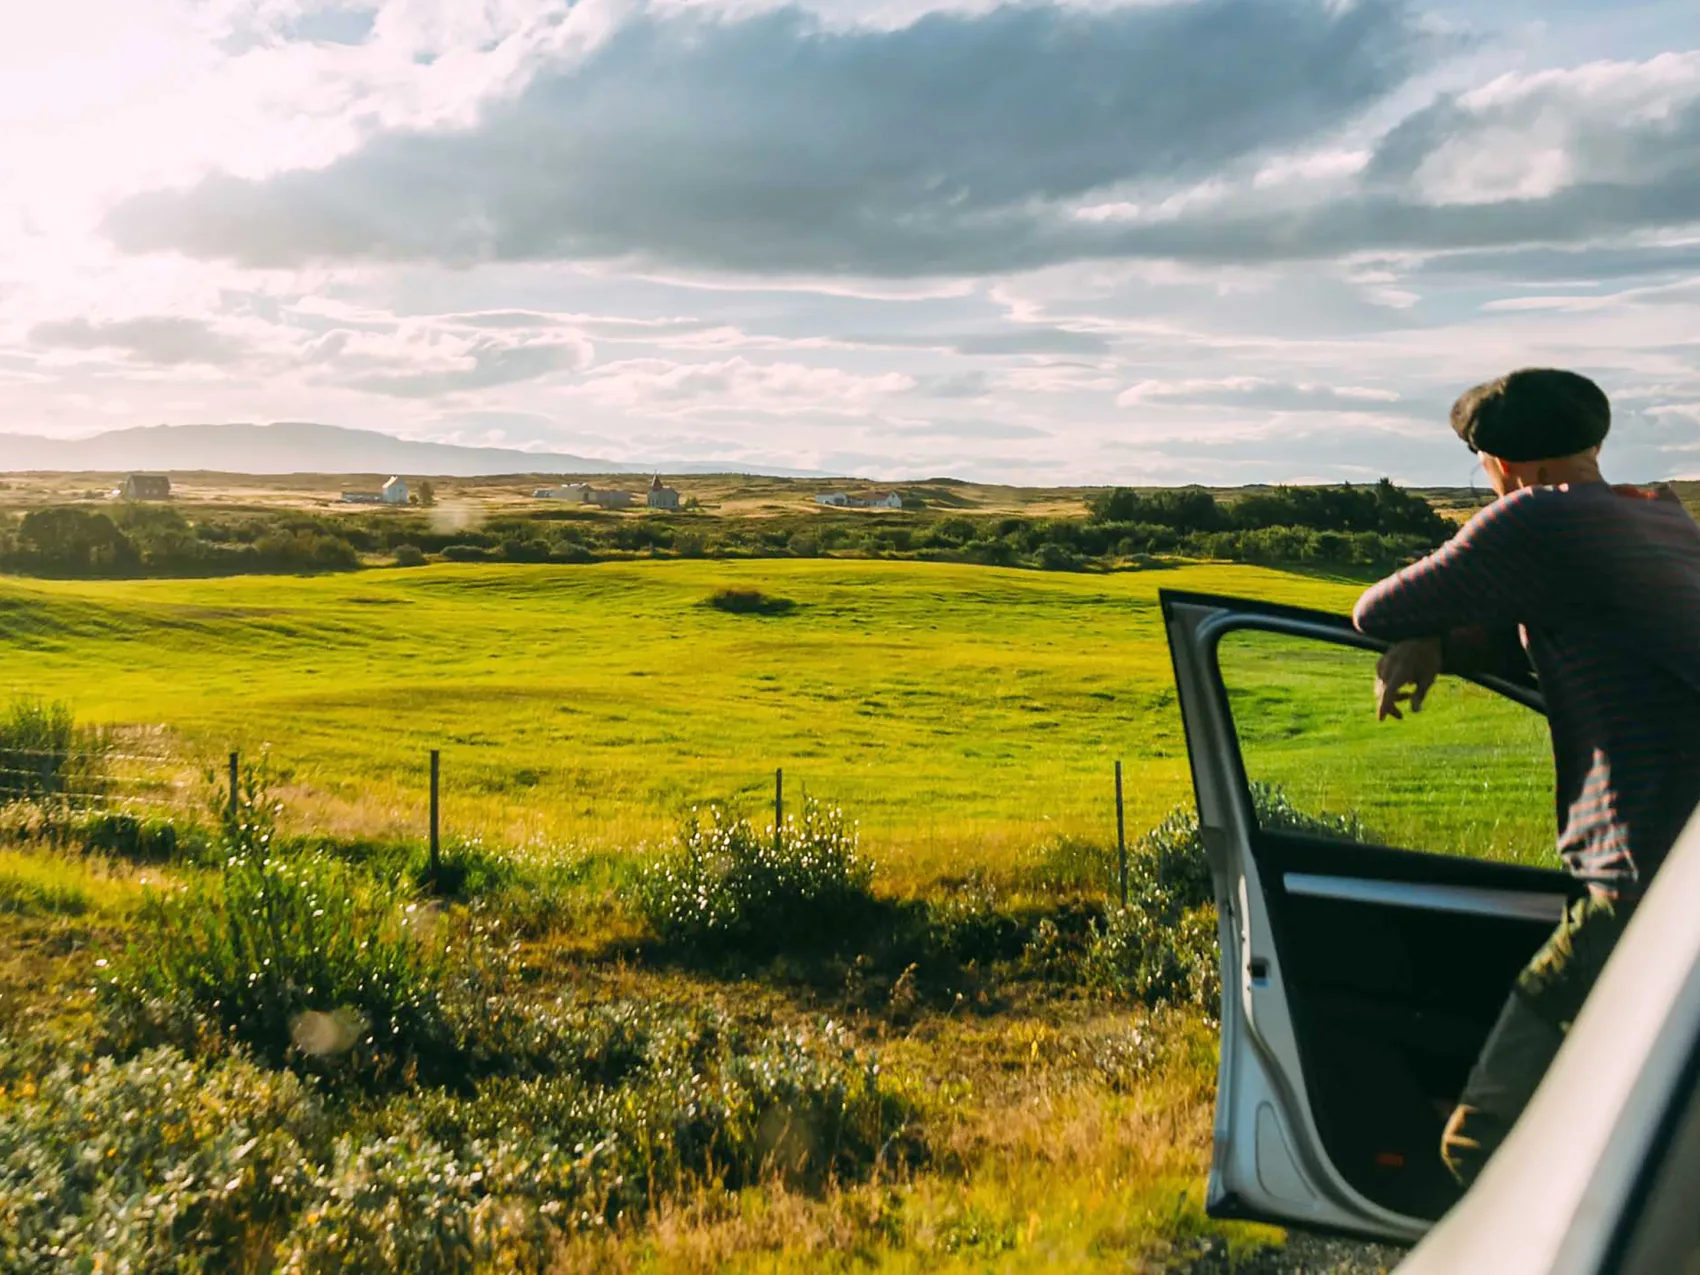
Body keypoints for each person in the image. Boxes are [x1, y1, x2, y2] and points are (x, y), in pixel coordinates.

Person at [1351, 367, 1700, 1188]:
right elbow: (1582, 635)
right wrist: (1450, 645)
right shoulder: (1664, 520)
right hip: (1685, 868)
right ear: (1596, 444)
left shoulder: (1534, 520)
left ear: (1501, 465)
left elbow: (1377, 609)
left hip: (1640, 880)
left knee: (1489, 1143)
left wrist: (1425, 631)